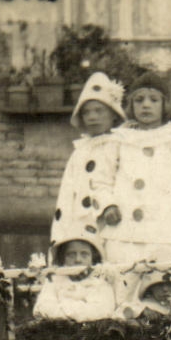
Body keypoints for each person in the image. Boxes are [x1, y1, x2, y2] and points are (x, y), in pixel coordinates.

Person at [101, 72, 171, 262]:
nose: (146, 105)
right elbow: (102, 178)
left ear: (164, 105)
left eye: (153, 100)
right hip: (124, 231)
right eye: (139, 100)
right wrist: (108, 205)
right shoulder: (119, 139)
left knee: (164, 274)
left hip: (164, 232)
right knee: (122, 274)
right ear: (131, 105)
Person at [52, 72, 123, 250]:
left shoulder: (120, 146)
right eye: (86, 112)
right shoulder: (80, 151)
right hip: (80, 222)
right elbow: (67, 194)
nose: (92, 117)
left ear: (113, 114)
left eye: (99, 111)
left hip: (112, 220)